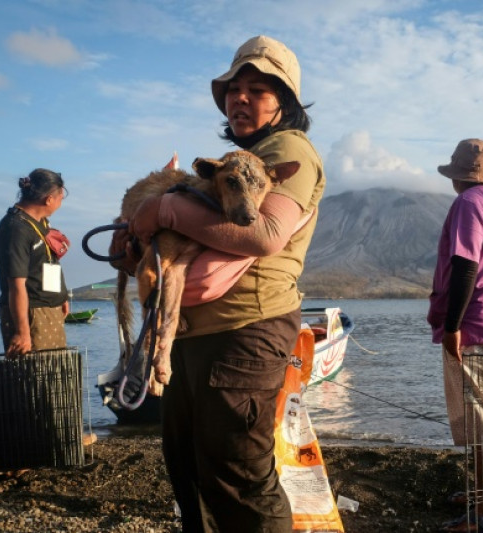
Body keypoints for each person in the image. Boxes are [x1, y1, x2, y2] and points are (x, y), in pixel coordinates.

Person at [123, 35, 324, 532]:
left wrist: (165, 208)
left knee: (238, 477)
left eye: (258, 89)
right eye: (234, 89)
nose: (241, 98)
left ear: (285, 101)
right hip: (194, 334)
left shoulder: (287, 150)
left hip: (245, 330)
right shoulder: (232, 162)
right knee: (190, 469)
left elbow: (264, 233)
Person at [427, 139, 483, 532]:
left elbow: (465, 266)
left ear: (458, 177)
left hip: (476, 322)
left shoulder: (467, 203)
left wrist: (452, 327)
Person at [0, 168, 70, 358]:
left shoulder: (41, 222)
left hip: (49, 310)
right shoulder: (16, 229)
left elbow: (45, 263)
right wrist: (22, 332)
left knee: (55, 371)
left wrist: (60, 298)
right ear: (49, 199)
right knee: (36, 373)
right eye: (61, 198)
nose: (61, 203)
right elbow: (16, 284)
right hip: (31, 314)